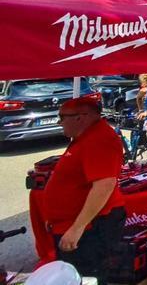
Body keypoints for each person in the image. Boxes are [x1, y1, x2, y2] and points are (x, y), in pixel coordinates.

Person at [45, 97, 125, 283]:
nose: (59, 123)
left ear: (81, 118)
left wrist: (76, 228)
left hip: (92, 227)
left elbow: (104, 185)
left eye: (62, 117)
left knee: (88, 276)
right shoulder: (86, 137)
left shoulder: (99, 139)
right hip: (79, 225)